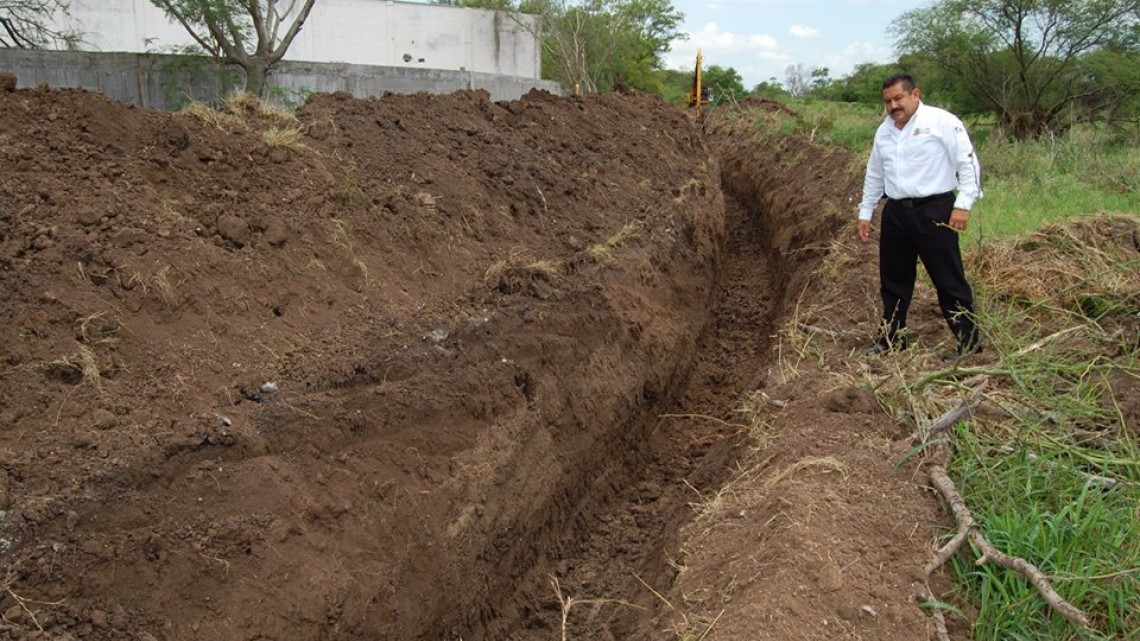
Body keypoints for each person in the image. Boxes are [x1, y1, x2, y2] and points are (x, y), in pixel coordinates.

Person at [857, 72, 983, 359]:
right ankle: (891, 340)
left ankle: (969, 344)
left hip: (935, 211)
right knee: (893, 281)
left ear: (915, 94)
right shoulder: (884, 131)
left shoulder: (941, 122)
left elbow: (967, 163)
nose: (893, 106)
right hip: (897, 213)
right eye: (888, 101)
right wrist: (866, 211)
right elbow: (875, 174)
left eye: (898, 98)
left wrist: (963, 204)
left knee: (948, 279)